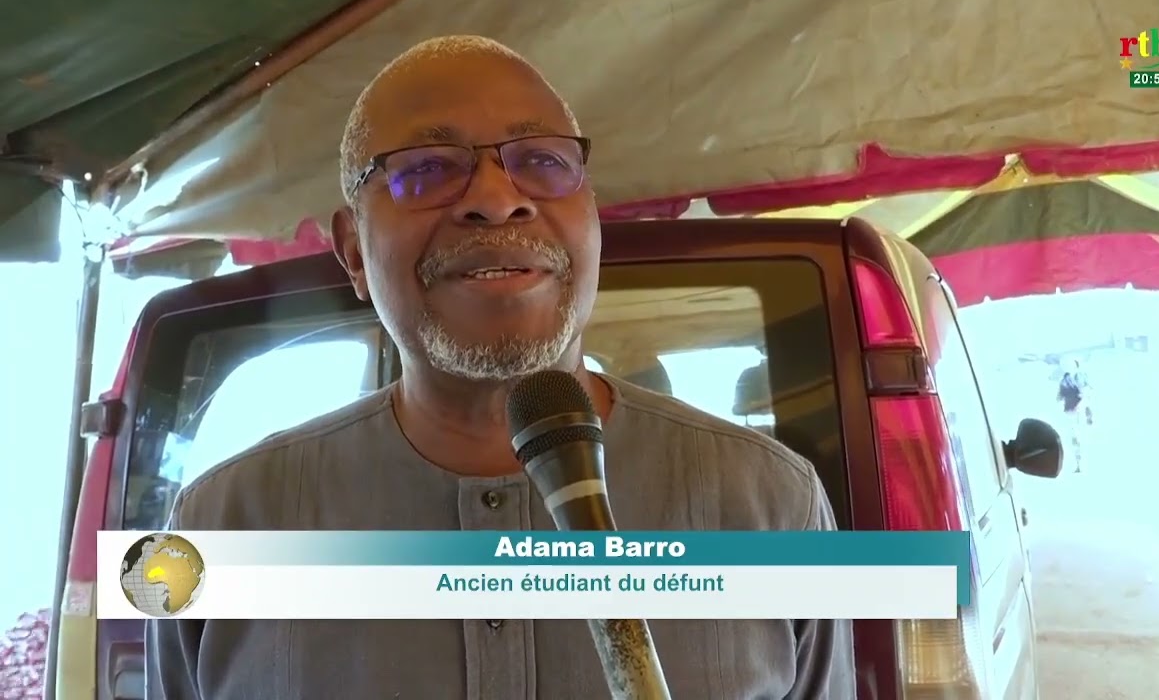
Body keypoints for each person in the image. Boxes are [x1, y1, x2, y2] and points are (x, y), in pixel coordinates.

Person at [145, 36, 856, 699]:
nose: (494, 199)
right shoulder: (220, 530)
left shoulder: (772, 506)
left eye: (542, 162)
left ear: (592, 215)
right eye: (425, 170)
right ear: (353, 251)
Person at [1056, 359, 1092, 473]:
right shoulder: (1076, 378)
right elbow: (1086, 395)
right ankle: (1078, 462)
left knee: (1076, 437)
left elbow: (1059, 397)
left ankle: (1079, 462)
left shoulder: (1066, 380)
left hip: (1073, 410)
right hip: (1076, 410)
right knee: (1076, 437)